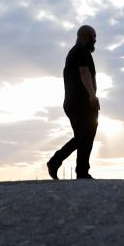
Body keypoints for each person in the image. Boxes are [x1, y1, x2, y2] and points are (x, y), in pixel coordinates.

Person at [47, 25, 100, 180]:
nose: (95, 40)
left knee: (84, 135)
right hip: (81, 102)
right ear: (85, 36)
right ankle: (58, 162)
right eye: (93, 37)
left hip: (73, 102)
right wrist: (92, 96)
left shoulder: (74, 52)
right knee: (85, 135)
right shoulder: (81, 51)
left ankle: (80, 171)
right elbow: (84, 72)